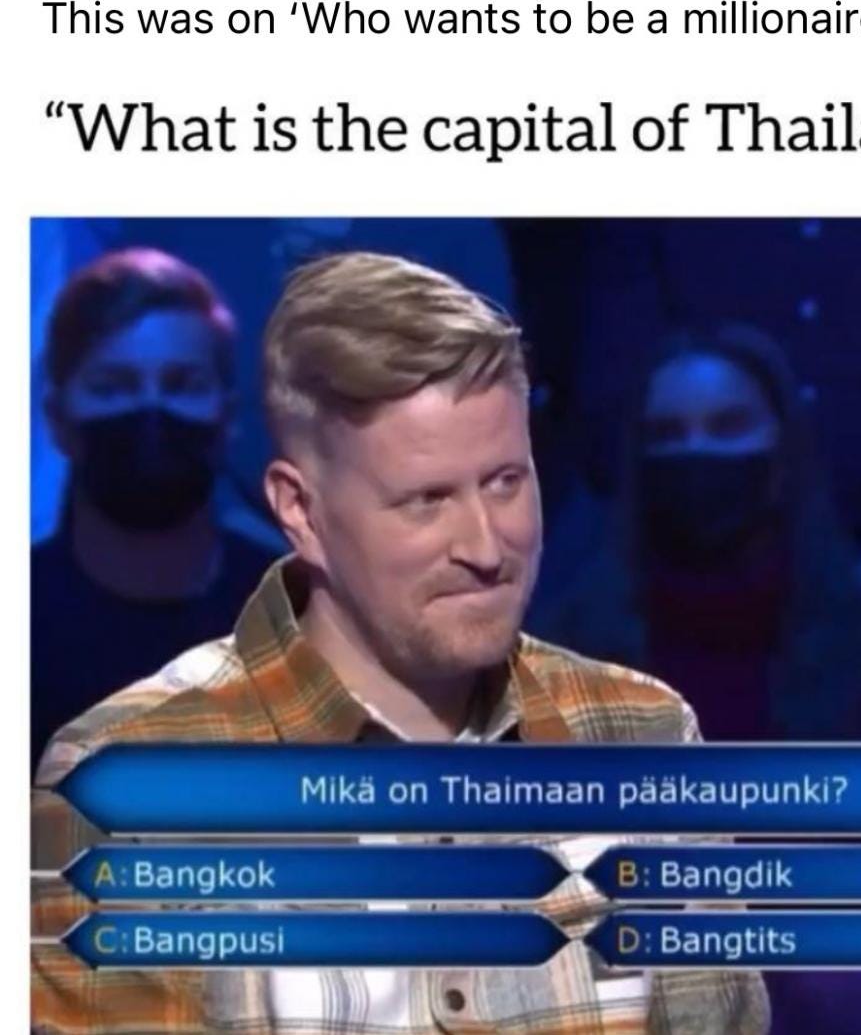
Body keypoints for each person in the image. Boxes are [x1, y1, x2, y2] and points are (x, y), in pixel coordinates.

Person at [32, 253, 769, 1034]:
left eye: (505, 482)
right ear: (301, 511)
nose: (485, 546)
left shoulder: (644, 737)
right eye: (427, 500)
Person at [529, 324, 861, 742]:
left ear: (782, 449)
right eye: (667, 433)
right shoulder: (565, 651)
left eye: (728, 427)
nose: (696, 451)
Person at [31, 248, 278, 768]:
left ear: (227, 416)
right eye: (112, 387)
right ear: (57, 418)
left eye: (182, 385)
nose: (151, 411)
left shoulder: (302, 617)